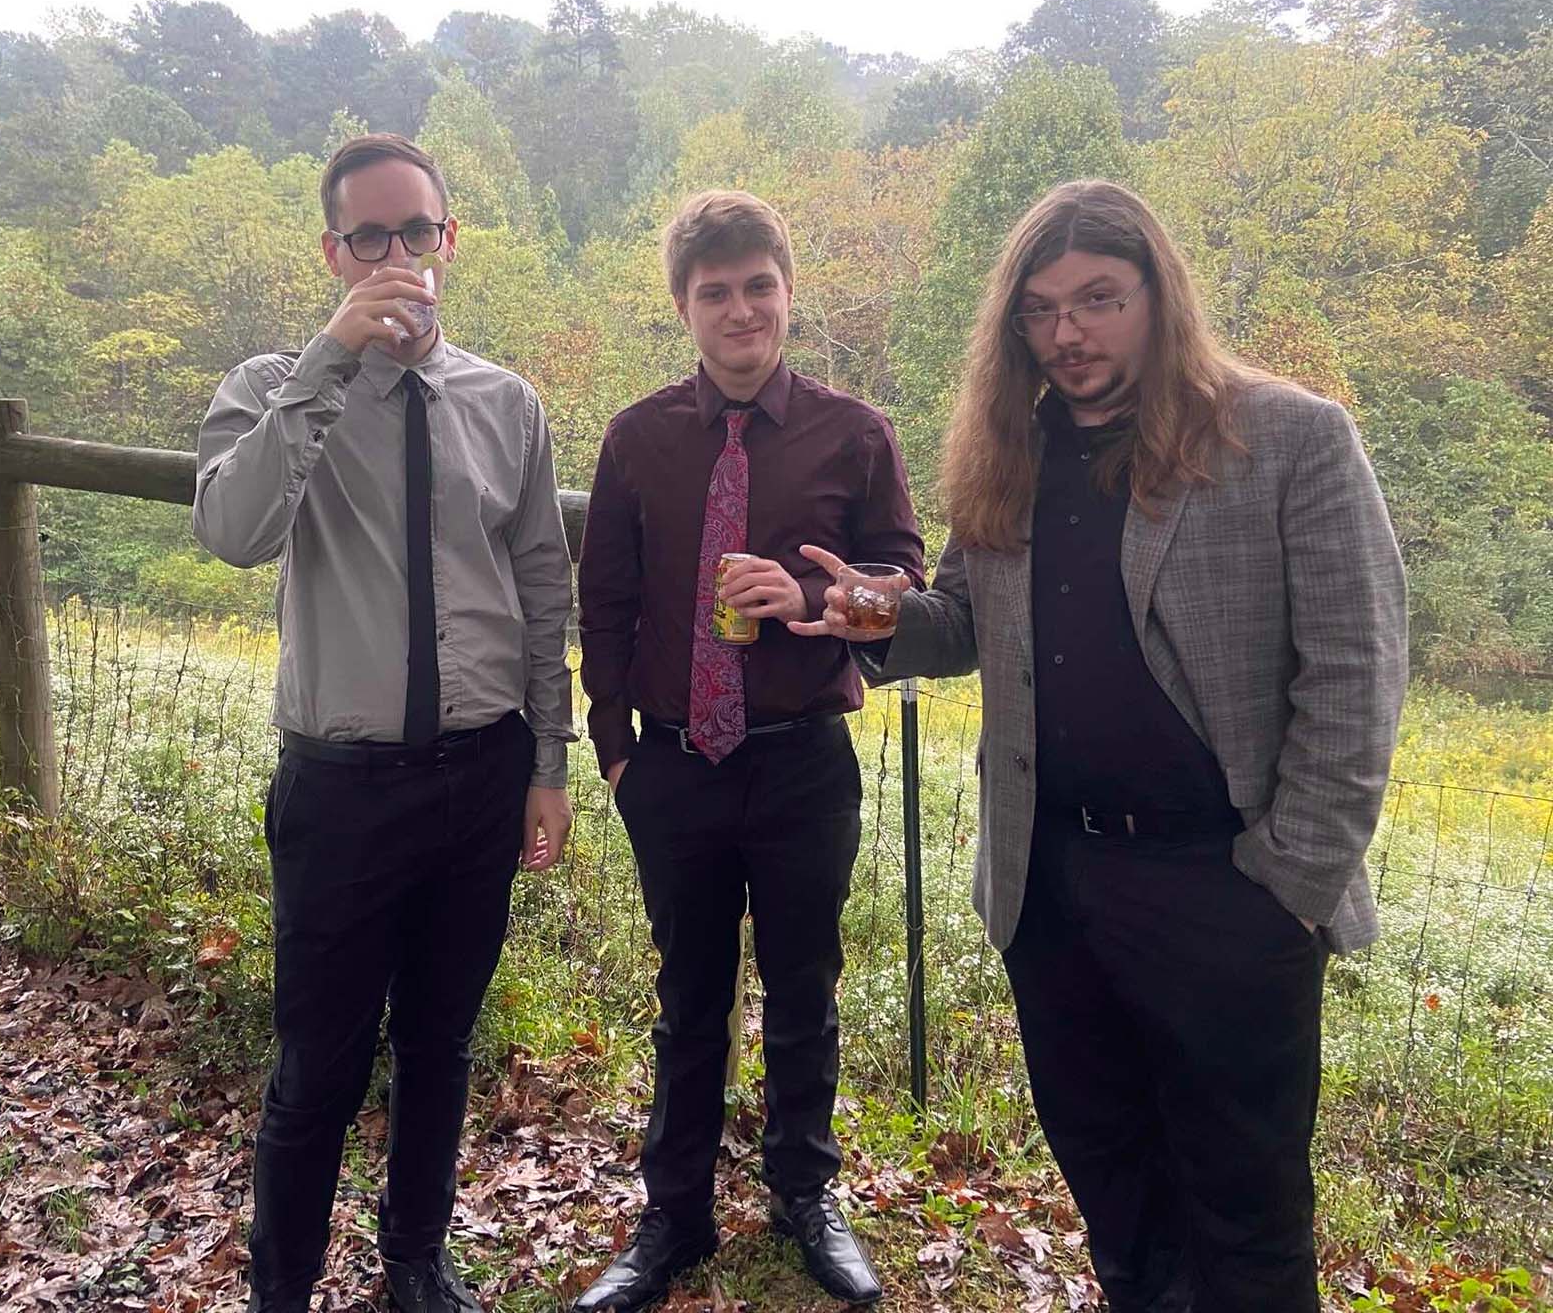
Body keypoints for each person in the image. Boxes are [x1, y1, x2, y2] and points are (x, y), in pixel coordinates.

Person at [792, 179, 1408, 1313]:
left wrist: (1290, 881)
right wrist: (880, 616)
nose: (1067, 333)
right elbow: (969, 620)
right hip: (1056, 887)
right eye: (1040, 310)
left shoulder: (1290, 438)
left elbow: (1358, 674)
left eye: (1097, 299)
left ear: (1157, 295)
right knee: (1113, 1184)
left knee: (1247, 1208)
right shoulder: (1011, 451)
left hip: (1227, 887)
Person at [192, 133, 576, 1313]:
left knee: (442, 1043)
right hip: (343, 787)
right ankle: (285, 1285)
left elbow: (542, 586)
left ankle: (414, 1255)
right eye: (371, 235)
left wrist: (549, 763)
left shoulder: (504, 403)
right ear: (333, 250)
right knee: (317, 1064)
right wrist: (332, 360)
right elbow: (234, 531)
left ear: (449, 242)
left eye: (417, 232)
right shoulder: (269, 389)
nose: (397, 255)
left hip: (482, 770)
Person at [575, 190, 923, 1309]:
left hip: (800, 760)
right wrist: (618, 751)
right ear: (684, 306)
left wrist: (819, 593)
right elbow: (607, 606)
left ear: (788, 290)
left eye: (758, 287)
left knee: (806, 986)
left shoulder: (855, 434)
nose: (741, 311)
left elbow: (903, 586)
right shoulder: (637, 439)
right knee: (690, 996)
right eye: (715, 293)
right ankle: (672, 1218)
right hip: (672, 767)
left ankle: (805, 1197)